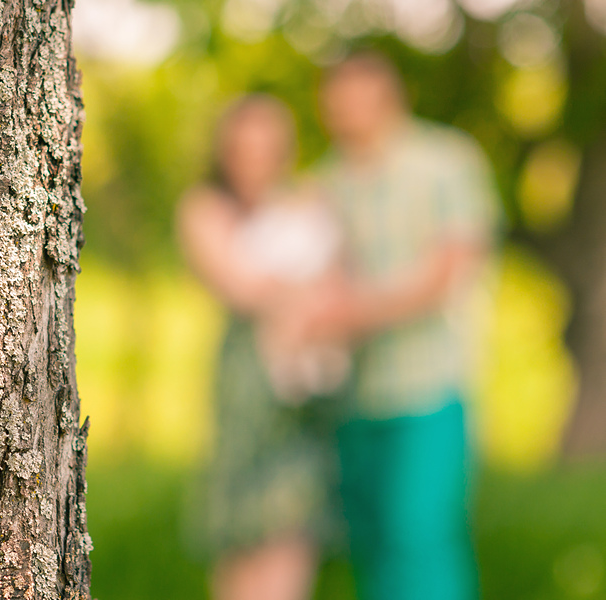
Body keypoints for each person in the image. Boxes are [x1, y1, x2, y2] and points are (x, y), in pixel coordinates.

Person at [304, 51, 500, 600]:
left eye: (350, 99)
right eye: (332, 101)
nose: (339, 112)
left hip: (428, 391)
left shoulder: (446, 161)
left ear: (385, 96)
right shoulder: (325, 180)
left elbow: (450, 274)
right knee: (371, 542)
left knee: (419, 538)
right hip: (350, 396)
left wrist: (349, 312)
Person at [177, 95, 345, 600]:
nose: (256, 163)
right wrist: (300, 289)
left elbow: (338, 283)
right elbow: (240, 285)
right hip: (245, 381)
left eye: (267, 150)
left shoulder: (308, 200)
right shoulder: (206, 207)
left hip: (308, 380)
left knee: (293, 518)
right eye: (243, 150)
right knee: (239, 534)